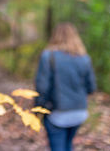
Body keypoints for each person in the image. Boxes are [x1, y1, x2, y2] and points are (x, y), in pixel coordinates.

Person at [35, 23, 96, 151]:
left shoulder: (48, 56)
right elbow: (91, 88)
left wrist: (38, 109)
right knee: (68, 144)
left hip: (57, 113)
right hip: (79, 112)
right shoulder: (84, 58)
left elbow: (42, 87)